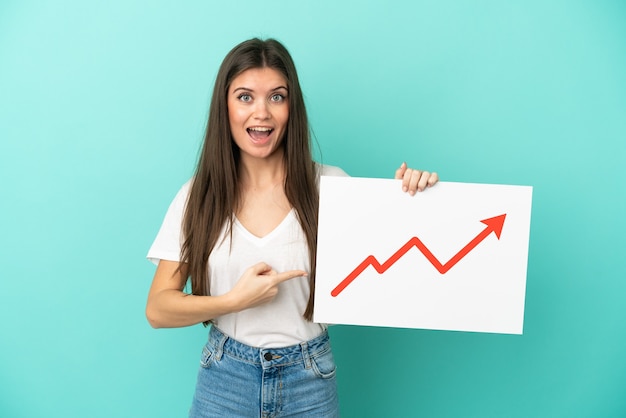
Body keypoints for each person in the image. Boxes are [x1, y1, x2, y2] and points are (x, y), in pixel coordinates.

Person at [145, 38, 439, 417]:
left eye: (277, 97)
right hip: (225, 380)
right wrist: (234, 301)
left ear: (291, 108)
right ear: (225, 106)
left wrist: (416, 197)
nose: (262, 113)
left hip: (309, 379)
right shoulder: (199, 195)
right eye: (245, 97)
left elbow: (404, 258)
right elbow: (158, 308)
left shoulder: (332, 188)